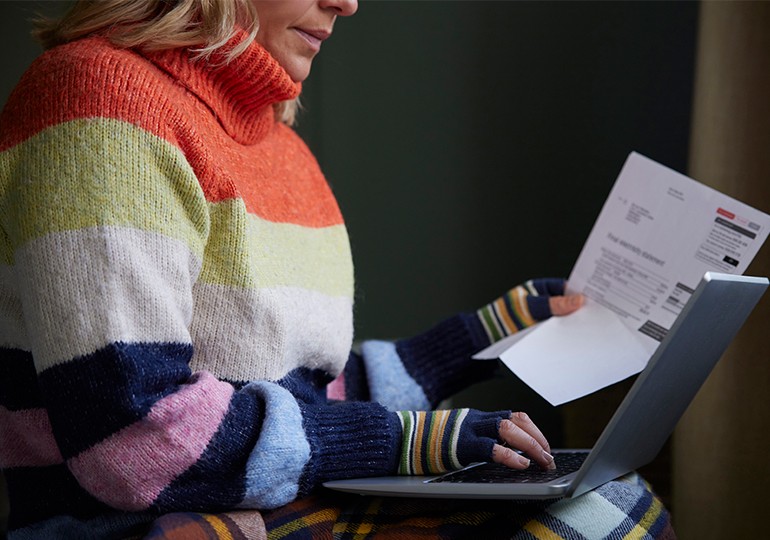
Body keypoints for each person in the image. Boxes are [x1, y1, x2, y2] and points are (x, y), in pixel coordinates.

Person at [0, 1, 675, 538]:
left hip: (272, 502)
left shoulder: (284, 150)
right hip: (140, 522)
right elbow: (137, 433)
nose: (346, 4)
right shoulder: (97, 98)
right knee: (592, 520)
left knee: (609, 499)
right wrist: (410, 442)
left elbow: (301, 400)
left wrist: (483, 335)